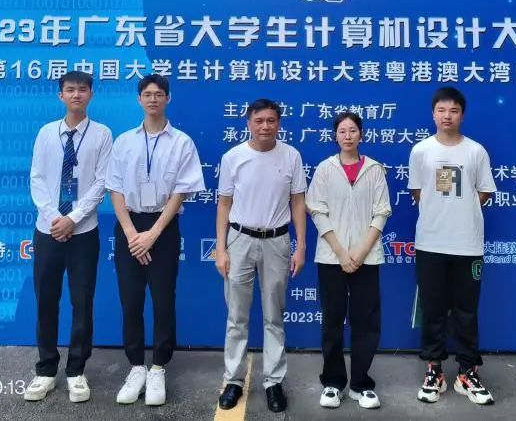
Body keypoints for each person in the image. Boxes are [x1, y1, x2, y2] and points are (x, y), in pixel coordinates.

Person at [107, 74, 205, 407]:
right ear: (139, 99)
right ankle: (136, 366)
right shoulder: (124, 142)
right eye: (147, 94)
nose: (153, 99)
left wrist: (153, 233)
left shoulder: (182, 142)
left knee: (163, 299)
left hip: (163, 227)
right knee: (131, 300)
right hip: (129, 227)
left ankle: (159, 367)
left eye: (159, 94)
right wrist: (132, 233)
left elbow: (181, 192)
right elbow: (115, 188)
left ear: (168, 99)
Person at [24, 70, 112, 404]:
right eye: (70, 89)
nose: (76, 94)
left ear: (91, 95)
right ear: (60, 95)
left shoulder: (102, 134)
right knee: (46, 301)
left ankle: (76, 370)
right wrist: (54, 217)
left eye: (82, 89)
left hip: (83, 232)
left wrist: (73, 218)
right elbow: (36, 178)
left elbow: (102, 182)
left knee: (81, 302)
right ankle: (46, 369)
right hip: (47, 231)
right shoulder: (46, 133)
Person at [215, 99, 307, 414]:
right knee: (236, 316)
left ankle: (273, 382)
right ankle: (233, 380)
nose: (265, 126)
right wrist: (221, 249)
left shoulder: (291, 156)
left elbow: (298, 202)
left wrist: (301, 246)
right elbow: (224, 205)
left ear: (278, 123)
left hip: (277, 241)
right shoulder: (233, 157)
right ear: (248, 123)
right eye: (259, 120)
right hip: (240, 239)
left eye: (271, 120)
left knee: (274, 315)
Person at [408, 86, 496, 406]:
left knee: (466, 311)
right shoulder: (421, 151)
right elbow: (418, 193)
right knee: (433, 309)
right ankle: (434, 370)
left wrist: (461, 213)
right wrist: (441, 213)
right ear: (433, 114)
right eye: (442, 110)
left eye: (454, 111)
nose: (447, 116)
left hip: (467, 245)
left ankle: (467, 372)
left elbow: (483, 192)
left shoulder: (476, 151)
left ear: (462, 115)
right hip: (431, 243)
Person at [306, 111, 391, 411]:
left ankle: (361, 384)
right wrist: (342, 253)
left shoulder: (374, 169)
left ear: (361, 135)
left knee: (366, 321)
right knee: (332, 320)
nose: (347, 136)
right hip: (332, 257)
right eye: (342, 131)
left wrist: (362, 251)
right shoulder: (325, 169)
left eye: (353, 130)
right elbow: (317, 210)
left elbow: (382, 212)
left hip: (367, 258)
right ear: (335, 136)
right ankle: (333, 383)